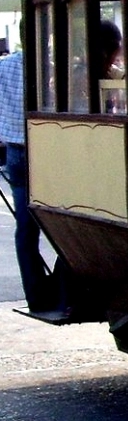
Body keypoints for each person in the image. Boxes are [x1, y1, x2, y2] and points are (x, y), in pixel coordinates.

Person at [0, 46, 55, 312]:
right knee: (61, 220)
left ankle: (35, 294)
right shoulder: (50, 67)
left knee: (25, 227)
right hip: (43, 147)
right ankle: (63, 288)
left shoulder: (3, 67)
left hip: (15, 150)